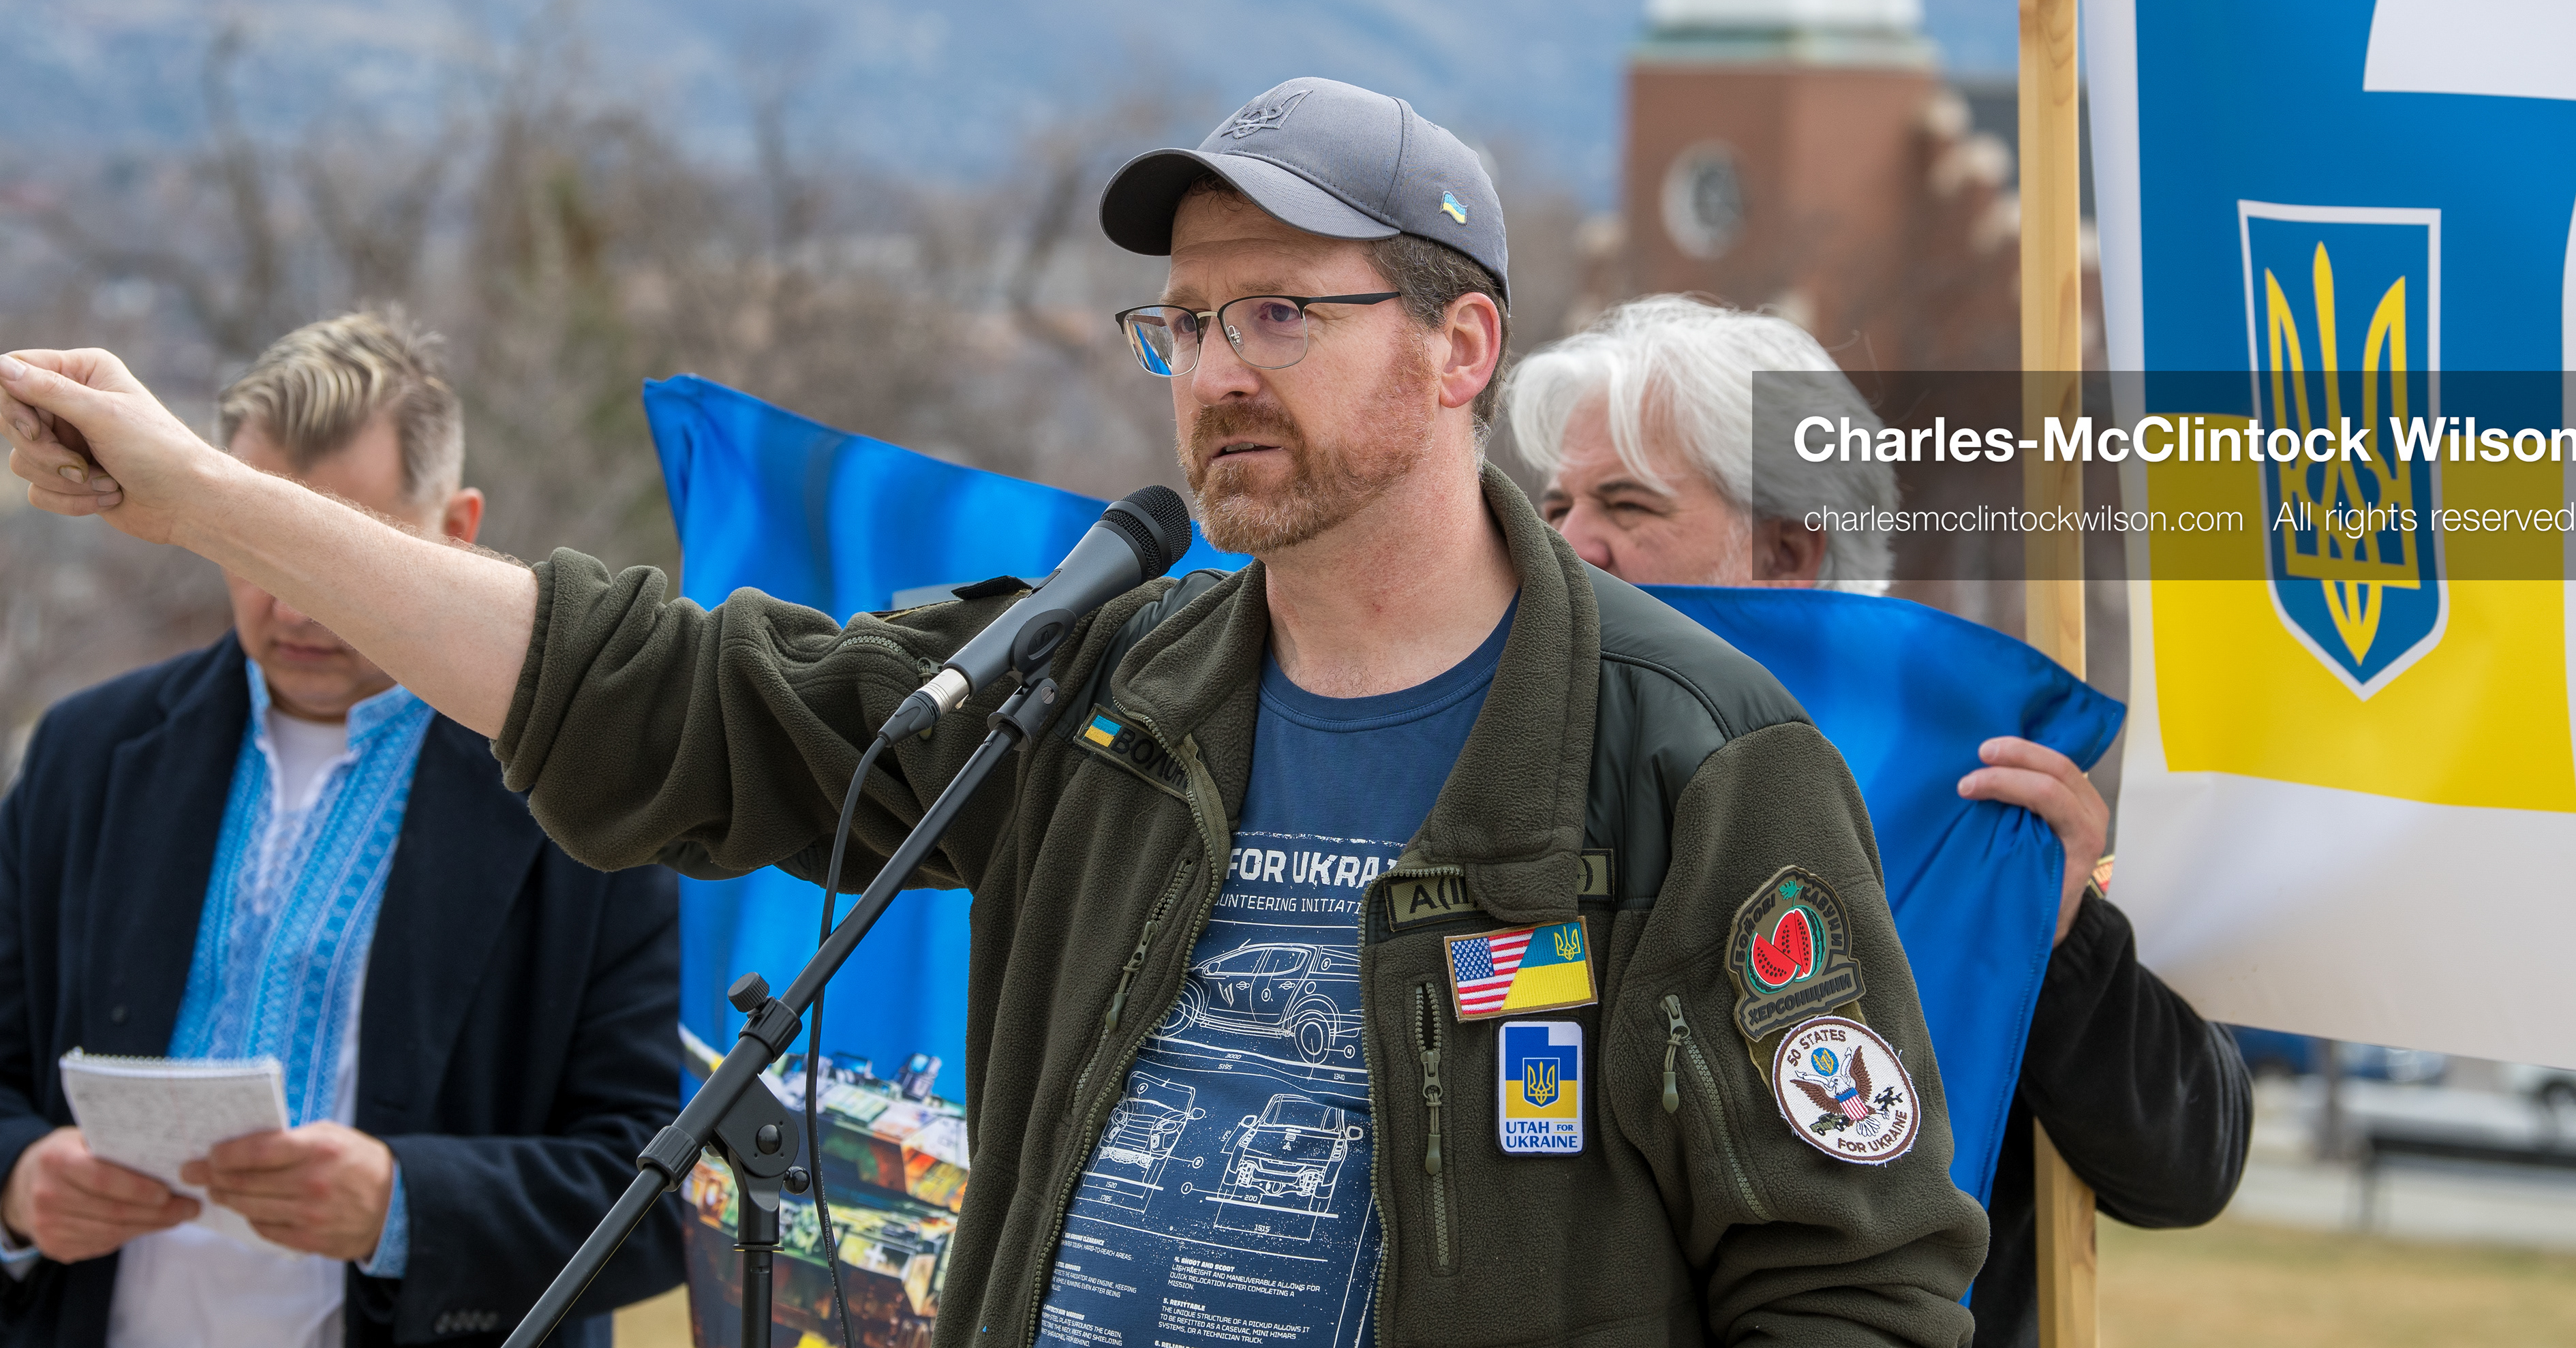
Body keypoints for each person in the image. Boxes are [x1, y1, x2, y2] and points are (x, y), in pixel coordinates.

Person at [1, 80, 1987, 1348]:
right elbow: (671, 702)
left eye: (1287, 311)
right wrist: (203, 502)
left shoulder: (1691, 761)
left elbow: (1852, 1286)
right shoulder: (1100, 680)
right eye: (1190, 322)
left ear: (1464, 343)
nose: (1217, 369)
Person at [1512, 295, 2253, 1348]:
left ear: (1788, 555)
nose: (1569, 547)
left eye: (1625, 507)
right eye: (1553, 508)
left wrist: (2063, 939)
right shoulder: (1508, 763)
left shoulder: (1968, 808)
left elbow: (2188, 1167)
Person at [0, 313, 684, 1348]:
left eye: (335, 543)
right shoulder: (83, 754)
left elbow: (675, 1179)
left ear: (458, 531)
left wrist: (409, 1207)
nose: (293, 599)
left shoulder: (588, 801)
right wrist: (14, 1181)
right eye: (252, 540)